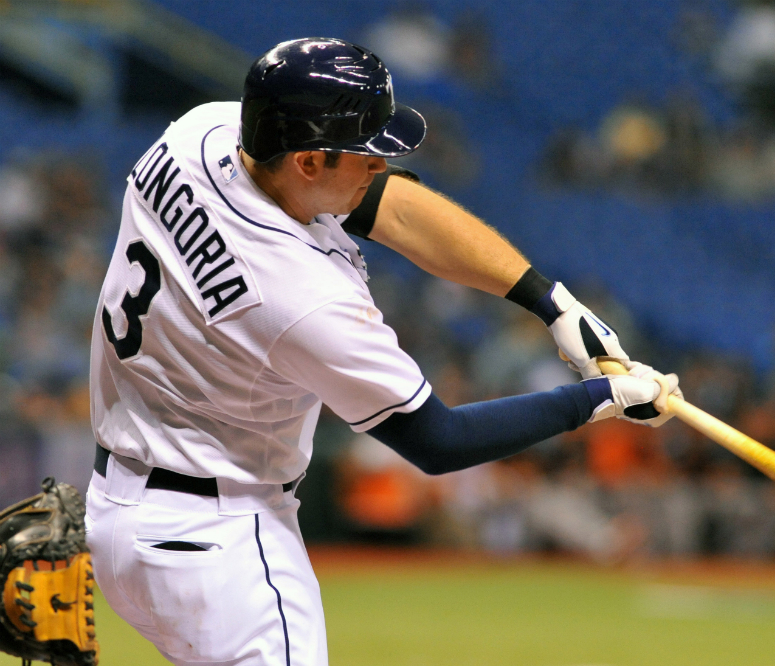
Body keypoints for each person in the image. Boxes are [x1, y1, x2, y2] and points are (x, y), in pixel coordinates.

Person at [85, 38, 681, 665]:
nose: (380, 168)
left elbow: (393, 207)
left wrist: (551, 302)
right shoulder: (301, 297)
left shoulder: (199, 136)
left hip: (118, 510)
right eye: (365, 156)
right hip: (219, 541)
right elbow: (438, 441)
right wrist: (602, 398)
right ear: (309, 161)